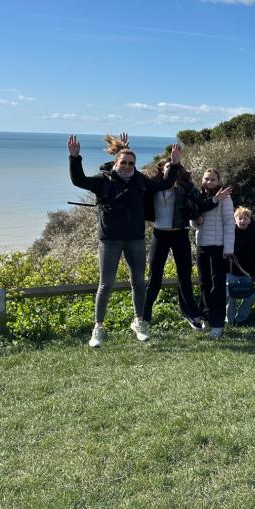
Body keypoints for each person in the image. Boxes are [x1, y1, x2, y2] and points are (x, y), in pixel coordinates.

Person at [67, 132, 183, 348]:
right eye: (123, 162)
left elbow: (165, 183)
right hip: (110, 239)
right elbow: (79, 180)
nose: (127, 166)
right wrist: (75, 158)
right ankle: (98, 328)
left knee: (138, 282)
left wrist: (175, 163)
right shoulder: (103, 181)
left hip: (135, 238)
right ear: (115, 163)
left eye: (131, 163)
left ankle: (139, 322)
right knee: (106, 284)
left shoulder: (141, 181)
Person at [142, 160, 230, 330]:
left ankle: (191, 314)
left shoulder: (186, 187)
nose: (172, 171)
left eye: (175, 168)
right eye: (168, 167)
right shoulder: (154, 186)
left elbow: (200, 203)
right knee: (154, 277)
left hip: (180, 234)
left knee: (185, 277)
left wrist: (215, 199)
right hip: (160, 235)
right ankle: (143, 317)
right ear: (162, 170)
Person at [192, 168, 235, 340]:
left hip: (218, 247)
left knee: (217, 286)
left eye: (212, 179)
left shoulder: (225, 197)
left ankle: (218, 324)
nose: (209, 182)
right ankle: (206, 317)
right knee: (204, 283)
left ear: (218, 181)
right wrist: (195, 220)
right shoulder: (198, 196)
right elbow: (193, 220)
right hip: (202, 245)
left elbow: (229, 223)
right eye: (206, 179)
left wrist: (228, 248)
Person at [227, 207, 255, 328]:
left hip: (248, 273)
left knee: (250, 296)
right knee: (230, 297)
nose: (242, 221)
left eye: (245, 218)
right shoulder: (229, 232)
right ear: (235, 220)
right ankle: (230, 321)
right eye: (240, 218)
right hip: (230, 271)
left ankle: (241, 319)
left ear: (249, 220)